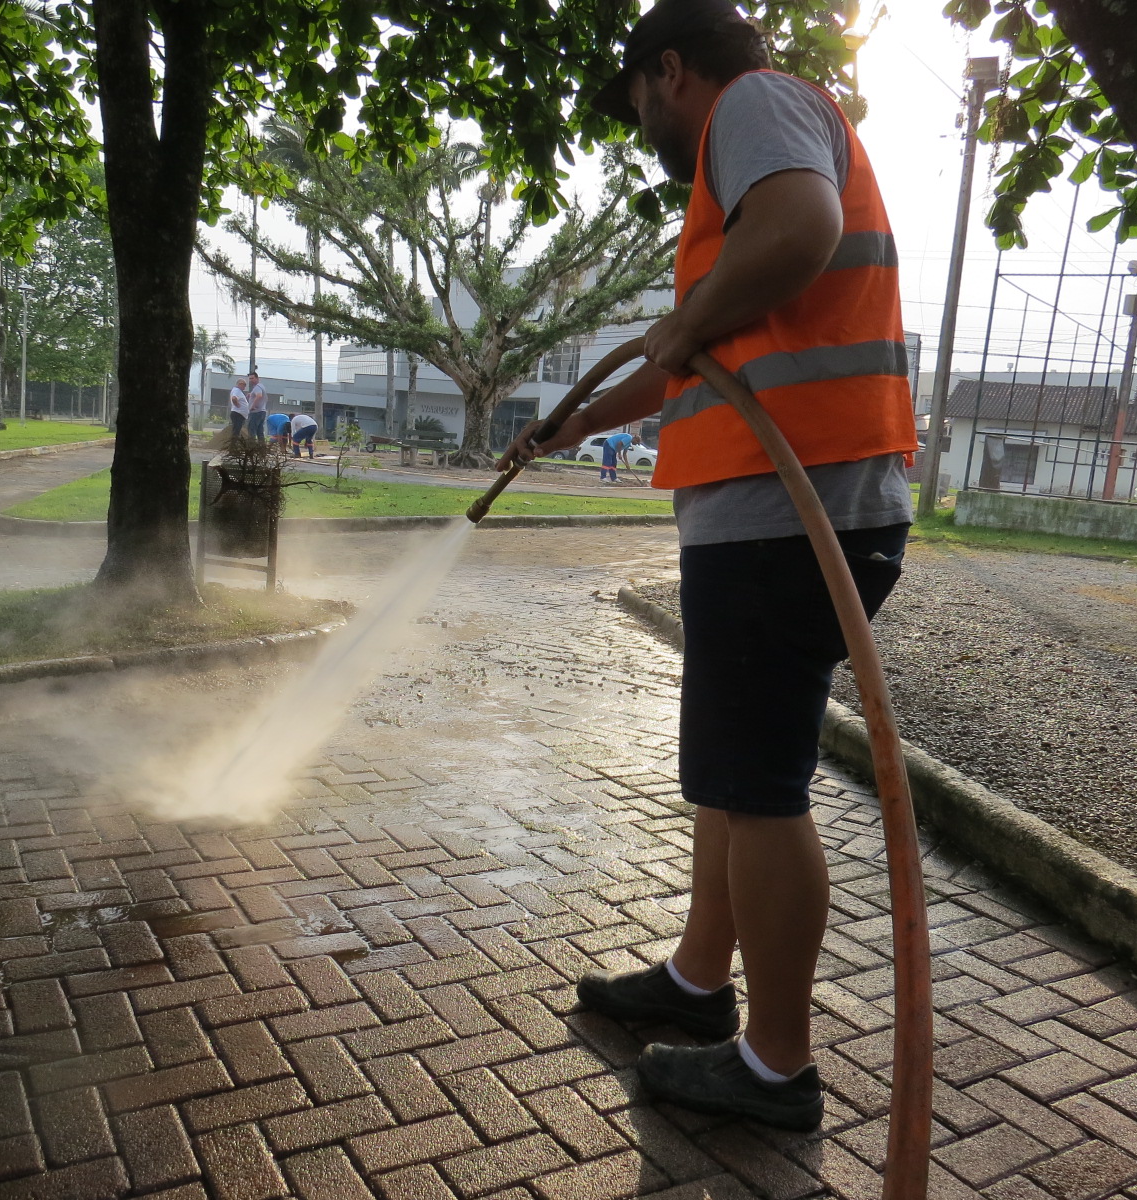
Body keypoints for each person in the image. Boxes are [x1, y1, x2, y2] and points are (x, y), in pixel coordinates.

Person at [498, 0, 917, 1130]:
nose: (640, 124)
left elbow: (799, 232)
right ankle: (696, 982)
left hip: (797, 518)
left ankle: (777, 1065)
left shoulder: (756, 106)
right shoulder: (739, 159)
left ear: (668, 73)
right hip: (781, 518)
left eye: (635, 100)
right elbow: (695, 351)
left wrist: (682, 331)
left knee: (761, 790)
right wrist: (575, 422)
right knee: (728, 780)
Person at [245, 371, 268, 440]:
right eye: (250, 379)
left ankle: (251, 447)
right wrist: (251, 395)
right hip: (262, 411)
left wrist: (252, 406)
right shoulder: (261, 386)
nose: (251, 380)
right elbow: (264, 397)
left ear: (257, 378)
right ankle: (261, 448)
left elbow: (259, 396)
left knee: (252, 431)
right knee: (260, 432)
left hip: (256, 412)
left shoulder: (257, 387)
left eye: (252, 378)